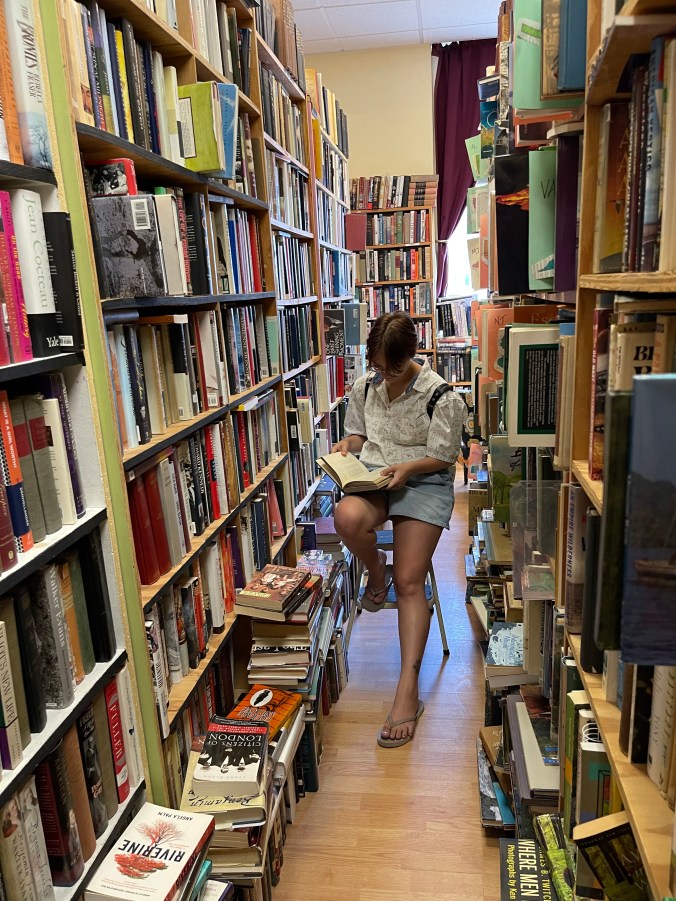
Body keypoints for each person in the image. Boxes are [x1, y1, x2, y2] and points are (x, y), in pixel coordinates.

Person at [333, 311, 466, 748]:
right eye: (377, 366)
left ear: (411, 354)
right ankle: (376, 571)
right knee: (346, 518)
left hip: (422, 483)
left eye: (392, 368)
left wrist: (408, 468)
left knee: (409, 582)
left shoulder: (441, 396)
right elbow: (360, 436)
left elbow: (444, 457)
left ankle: (407, 691)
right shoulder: (364, 386)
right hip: (375, 478)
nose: (383, 375)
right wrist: (347, 445)